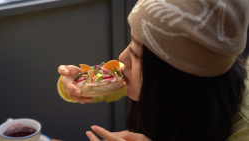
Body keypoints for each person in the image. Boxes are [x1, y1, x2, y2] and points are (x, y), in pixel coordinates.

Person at [57, 0, 249, 140]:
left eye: (137, 53)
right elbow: (104, 88)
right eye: (131, 41)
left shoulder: (243, 131)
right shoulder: (164, 88)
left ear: (177, 76)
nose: (122, 58)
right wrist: (74, 84)